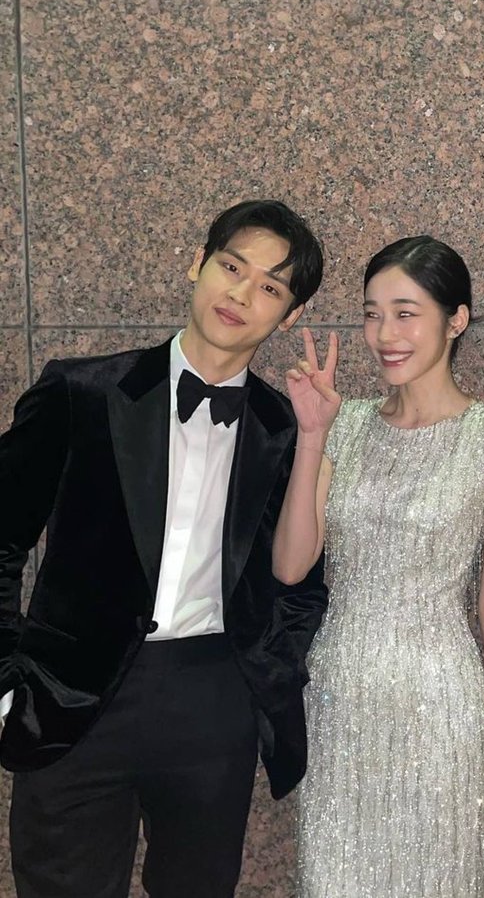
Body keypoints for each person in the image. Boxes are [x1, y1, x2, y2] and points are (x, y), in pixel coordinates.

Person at [0, 200, 329, 897]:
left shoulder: (282, 427)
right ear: (198, 264)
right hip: (70, 697)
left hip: (212, 702)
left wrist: (257, 681)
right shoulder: (81, 392)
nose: (242, 293)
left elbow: (301, 585)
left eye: (270, 286)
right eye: (231, 267)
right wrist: (6, 684)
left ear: (291, 315)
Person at [272, 235, 484, 897]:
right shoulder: (344, 424)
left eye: (405, 312)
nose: (384, 333)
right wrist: (310, 435)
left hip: (443, 711)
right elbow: (290, 563)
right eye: (371, 313)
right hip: (339, 701)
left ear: (456, 320)